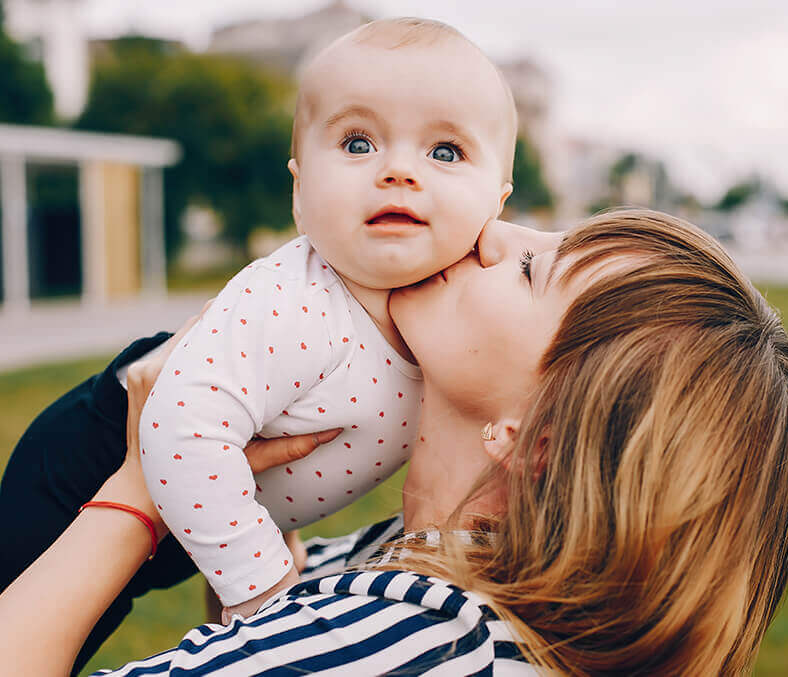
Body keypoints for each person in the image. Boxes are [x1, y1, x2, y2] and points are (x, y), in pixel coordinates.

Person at [0, 211, 788, 675]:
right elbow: (254, 632)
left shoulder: (414, 646)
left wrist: (142, 485)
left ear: (536, 442)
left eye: (535, 271)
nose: (491, 232)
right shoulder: (428, 565)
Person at [0, 14, 520, 640]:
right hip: (95, 467)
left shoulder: (458, 320)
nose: (398, 171)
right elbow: (177, 432)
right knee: (42, 628)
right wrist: (263, 589)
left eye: (445, 151)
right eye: (359, 144)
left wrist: (277, 522)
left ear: (498, 202)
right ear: (299, 191)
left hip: (200, 509)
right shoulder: (298, 302)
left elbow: (302, 417)